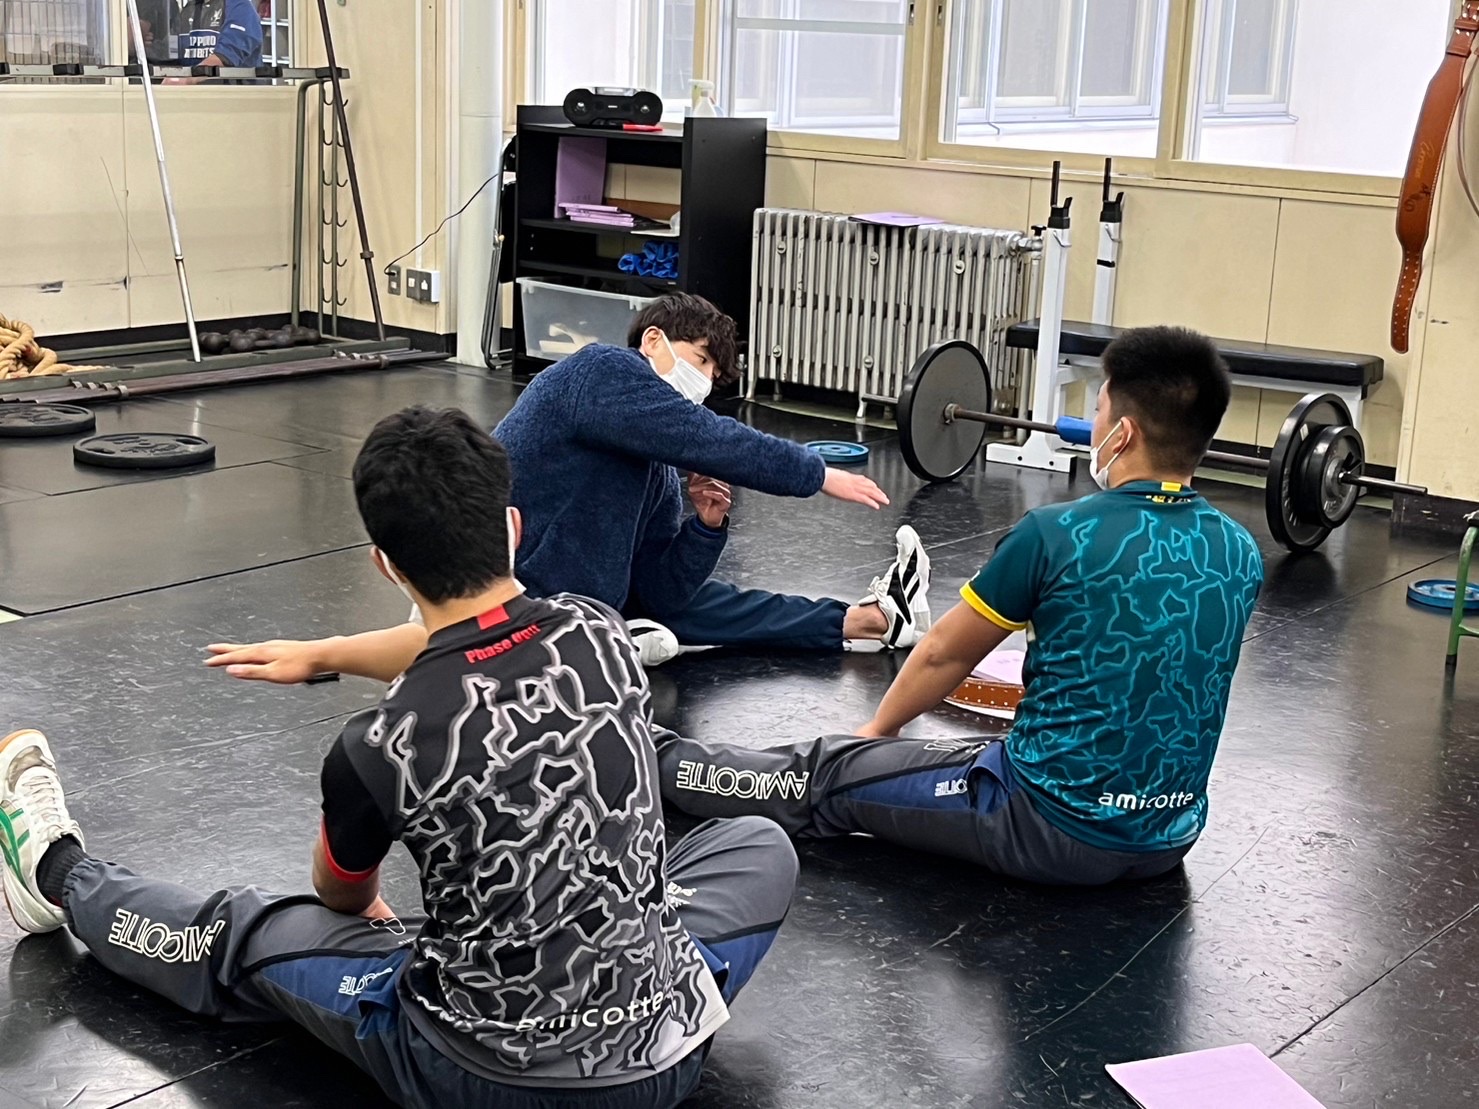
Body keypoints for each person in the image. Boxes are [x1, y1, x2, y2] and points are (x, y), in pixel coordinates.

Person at [0, 407, 797, 1107]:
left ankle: (55, 873)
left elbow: (343, 895)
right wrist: (327, 653)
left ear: (384, 562)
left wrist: (332, 663)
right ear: (512, 527)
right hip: (666, 1056)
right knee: (758, 842)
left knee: (244, 931)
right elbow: (480, 646)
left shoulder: (378, 742)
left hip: (478, 1076)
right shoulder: (600, 630)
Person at [653, 326, 1265, 886]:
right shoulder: (1241, 551)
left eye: (1099, 410)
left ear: (1122, 433)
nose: (1094, 423)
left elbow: (944, 653)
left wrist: (874, 737)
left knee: (831, 772)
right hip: (1167, 839)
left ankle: (651, 760)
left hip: (1046, 824)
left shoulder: (1058, 534)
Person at [494, 292, 933, 664]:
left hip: (590, 596)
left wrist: (706, 527)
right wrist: (816, 473)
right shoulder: (601, 370)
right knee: (663, 605)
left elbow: (662, 592)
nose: (704, 380)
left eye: (714, 375)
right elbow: (712, 439)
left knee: (704, 603)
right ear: (653, 340)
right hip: (510, 586)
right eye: (701, 359)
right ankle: (591, 636)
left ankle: (874, 621)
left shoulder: (658, 464)